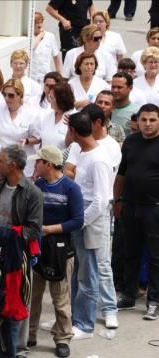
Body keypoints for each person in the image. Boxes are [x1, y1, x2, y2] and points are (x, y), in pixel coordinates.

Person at [0, 145, 43, 358]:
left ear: (11, 165)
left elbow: (34, 229)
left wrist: (7, 234)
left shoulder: (32, 193)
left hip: (15, 260)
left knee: (12, 308)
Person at [28, 146, 84, 358]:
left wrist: (50, 229)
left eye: (38, 162)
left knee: (60, 298)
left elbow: (78, 221)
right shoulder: (38, 185)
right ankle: (29, 334)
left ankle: (62, 337)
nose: (36, 166)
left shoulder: (71, 188)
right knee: (33, 295)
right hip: (37, 248)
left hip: (61, 250)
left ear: (48, 164)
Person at [67, 112, 117, 338]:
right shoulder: (83, 152)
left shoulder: (99, 159)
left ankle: (85, 325)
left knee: (89, 273)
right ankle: (76, 318)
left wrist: (81, 221)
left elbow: (100, 200)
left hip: (91, 217)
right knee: (79, 270)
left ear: (75, 132)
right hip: (82, 213)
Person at [114, 104, 159, 320]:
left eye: (152, 120)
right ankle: (128, 295)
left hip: (155, 208)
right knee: (129, 253)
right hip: (130, 205)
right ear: (138, 121)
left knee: (155, 256)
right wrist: (117, 200)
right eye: (144, 120)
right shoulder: (131, 142)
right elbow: (122, 173)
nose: (147, 124)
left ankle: (154, 301)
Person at [0, 79, 41, 177]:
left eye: (11, 95)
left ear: (20, 95)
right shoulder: (0, 109)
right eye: (4, 94)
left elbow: (38, 138)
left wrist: (27, 141)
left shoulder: (31, 113)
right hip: (4, 160)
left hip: (23, 161)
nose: (7, 98)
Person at [38, 81, 76, 151]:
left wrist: (70, 130)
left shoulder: (75, 118)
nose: (49, 100)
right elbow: (42, 142)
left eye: (52, 98)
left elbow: (72, 147)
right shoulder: (48, 116)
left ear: (61, 100)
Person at [31, 12, 63, 84]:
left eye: (40, 22)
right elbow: (31, 48)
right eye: (36, 23)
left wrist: (59, 74)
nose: (39, 25)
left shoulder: (50, 36)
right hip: (32, 76)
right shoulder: (28, 37)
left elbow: (56, 56)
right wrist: (39, 37)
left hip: (46, 76)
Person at [110, 72, 141, 136]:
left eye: (119, 87)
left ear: (130, 88)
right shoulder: (105, 108)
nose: (115, 90)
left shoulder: (137, 111)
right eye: (113, 87)